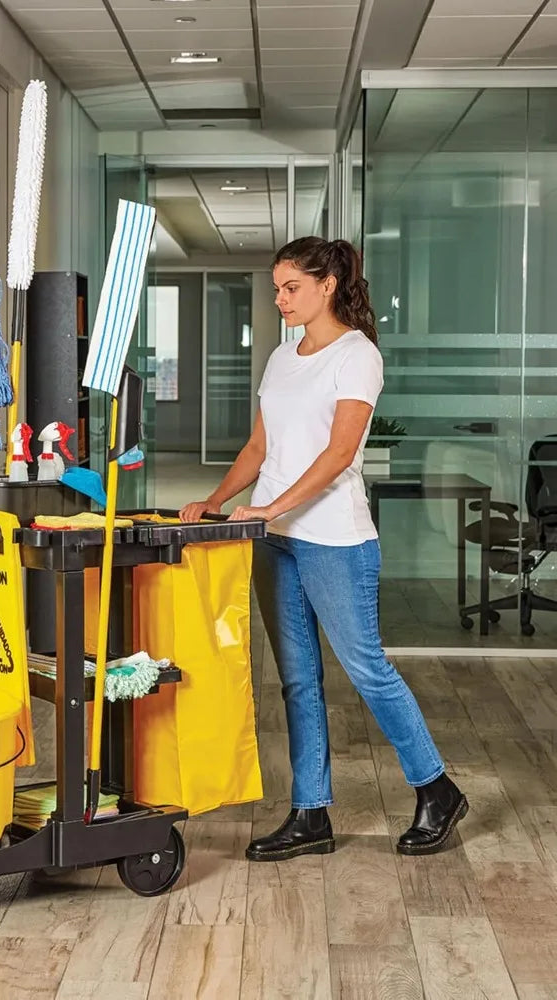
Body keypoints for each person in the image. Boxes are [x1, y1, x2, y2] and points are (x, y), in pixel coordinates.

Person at [181, 237, 467, 861]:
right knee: (297, 680)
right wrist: (217, 499)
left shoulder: (357, 355)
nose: (280, 300)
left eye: (291, 288)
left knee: (367, 669)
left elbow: (339, 455)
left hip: (334, 539)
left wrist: (271, 507)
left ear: (327, 285)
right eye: (276, 289)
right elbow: (259, 448)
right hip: (277, 540)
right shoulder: (282, 357)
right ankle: (310, 813)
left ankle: (437, 789)